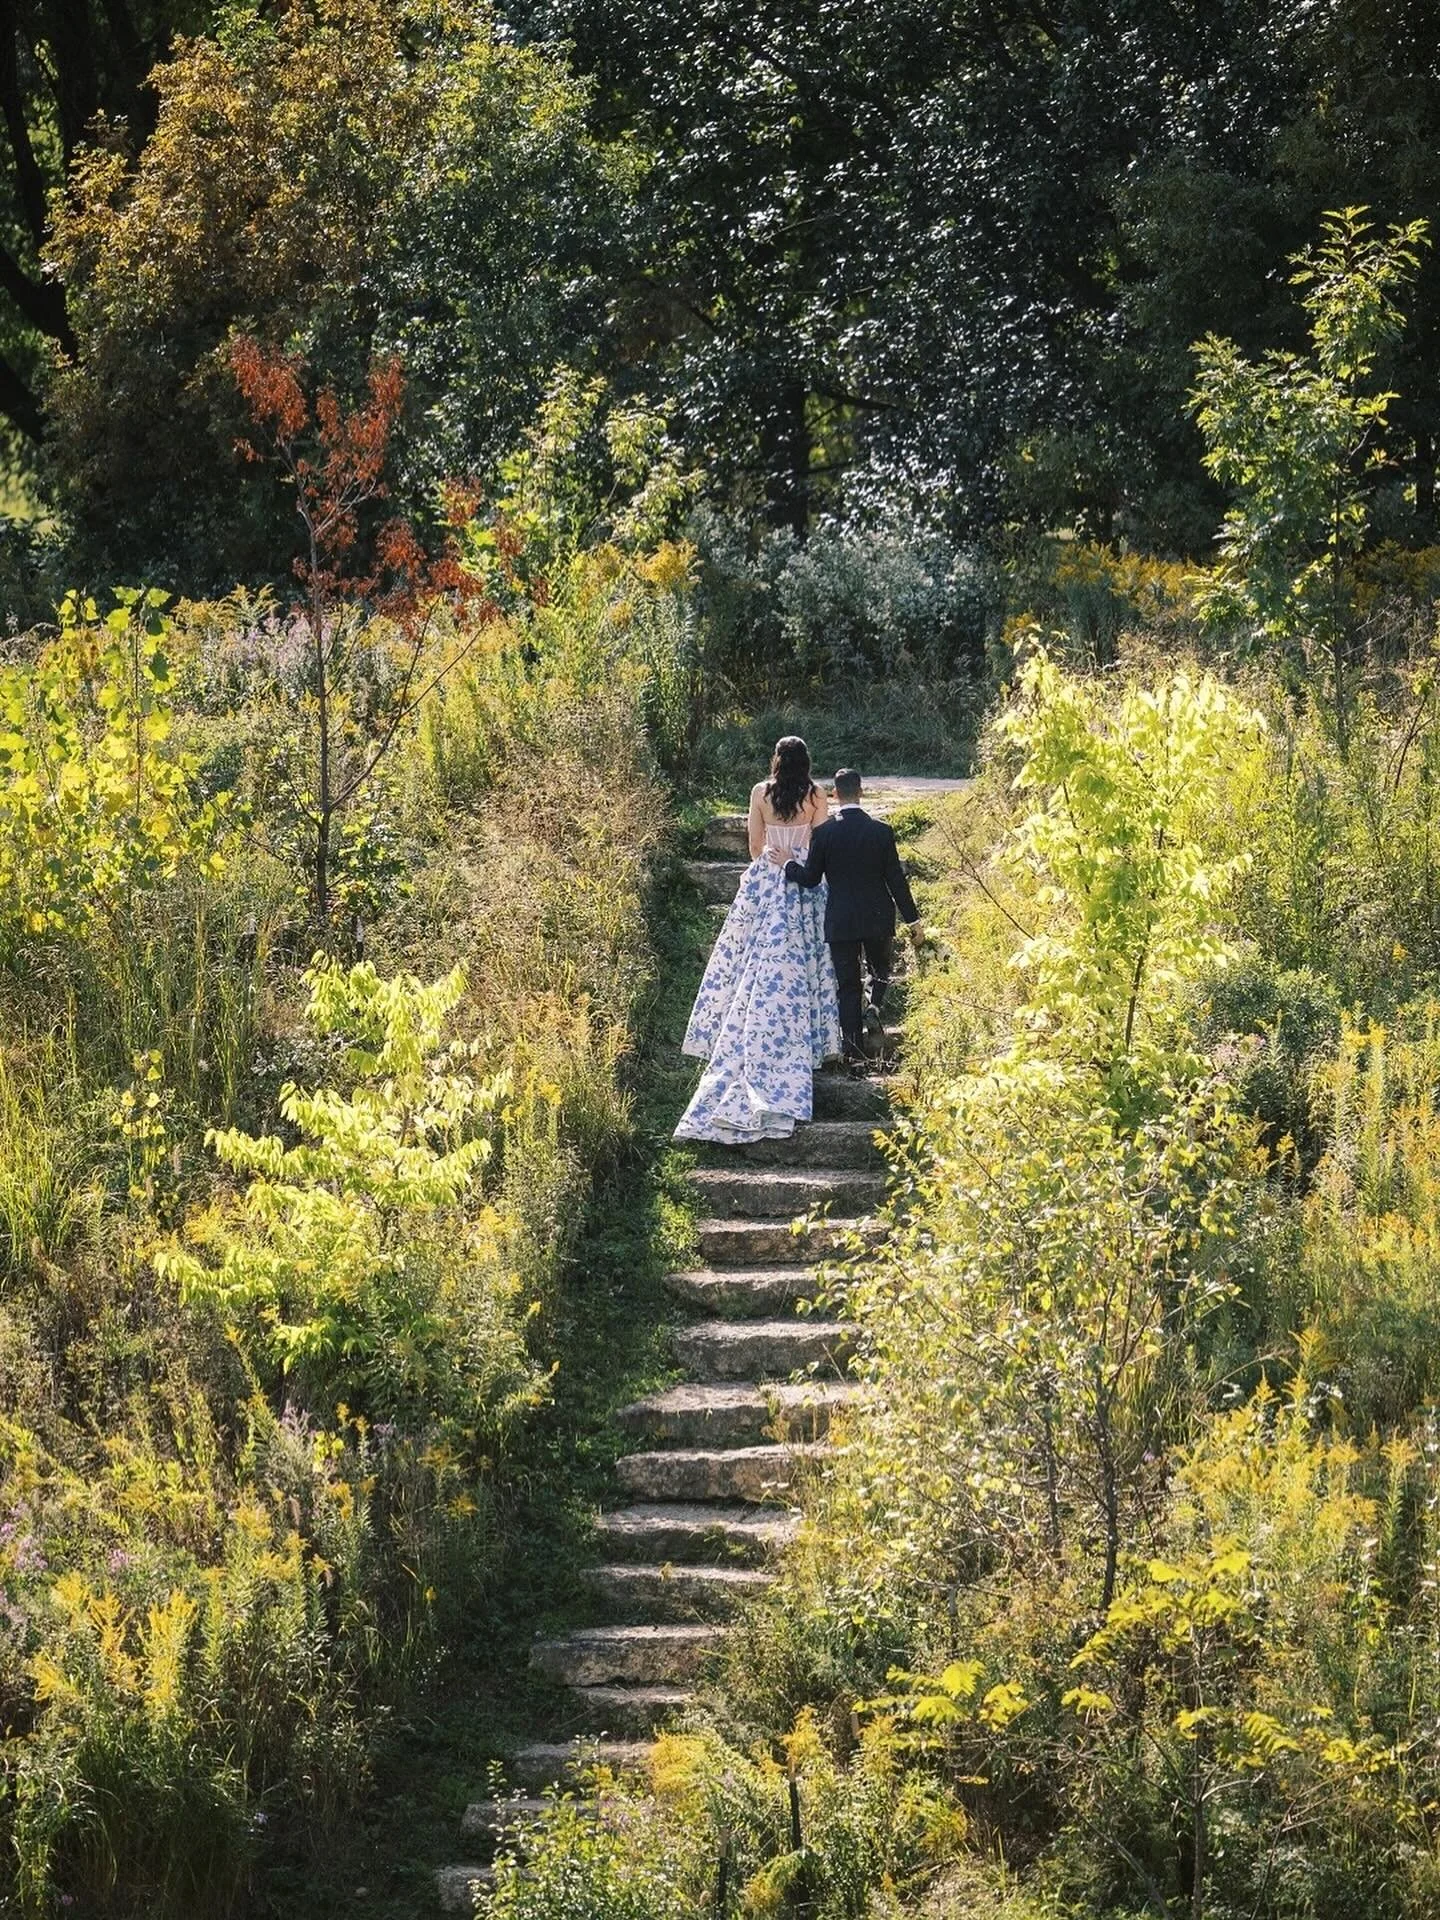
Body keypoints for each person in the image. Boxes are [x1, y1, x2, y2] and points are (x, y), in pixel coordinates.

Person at [675, 737, 841, 1143]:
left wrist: (775, 856)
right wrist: (798, 860)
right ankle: (816, 1041)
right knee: (812, 957)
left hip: (766, 879)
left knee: (745, 957)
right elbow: (821, 845)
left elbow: (754, 847)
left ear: (776, 762)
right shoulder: (817, 795)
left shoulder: (759, 794)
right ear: (806, 764)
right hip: (804, 880)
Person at [781, 768, 923, 1063]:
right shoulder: (881, 831)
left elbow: (809, 878)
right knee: (880, 970)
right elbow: (896, 879)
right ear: (861, 792)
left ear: (834, 795)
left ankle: (855, 1054)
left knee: (847, 987)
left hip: (841, 919)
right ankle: (874, 1007)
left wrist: (787, 864)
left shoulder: (824, 833)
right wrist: (913, 920)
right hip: (877, 915)